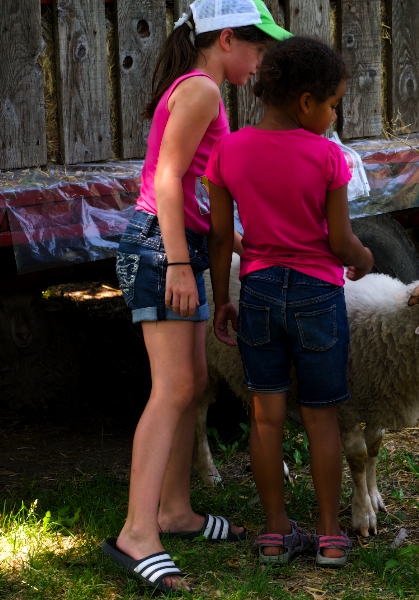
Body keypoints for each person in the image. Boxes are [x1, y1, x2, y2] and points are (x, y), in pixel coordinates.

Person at [101, 1, 292, 593]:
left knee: (195, 377)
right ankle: (137, 532)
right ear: (226, 37)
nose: (261, 63)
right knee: (174, 388)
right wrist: (182, 265)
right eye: (258, 49)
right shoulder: (203, 90)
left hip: (174, 240)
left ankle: (176, 511)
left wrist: (231, 243)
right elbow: (165, 178)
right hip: (162, 245)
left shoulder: (205, 87)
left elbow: (193, 190)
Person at [205, 36, 374, 568]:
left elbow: (217, 237)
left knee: (266, 418)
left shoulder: (227, 151)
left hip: (254, 290)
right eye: (332, 105)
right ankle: (328, 536)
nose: (333, 115)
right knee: (323, 419)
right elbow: (339, 243)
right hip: (317, 296)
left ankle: (276, 533)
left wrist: (220, 300)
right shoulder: (328, 156)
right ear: (305, 102)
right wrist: (365, 258)